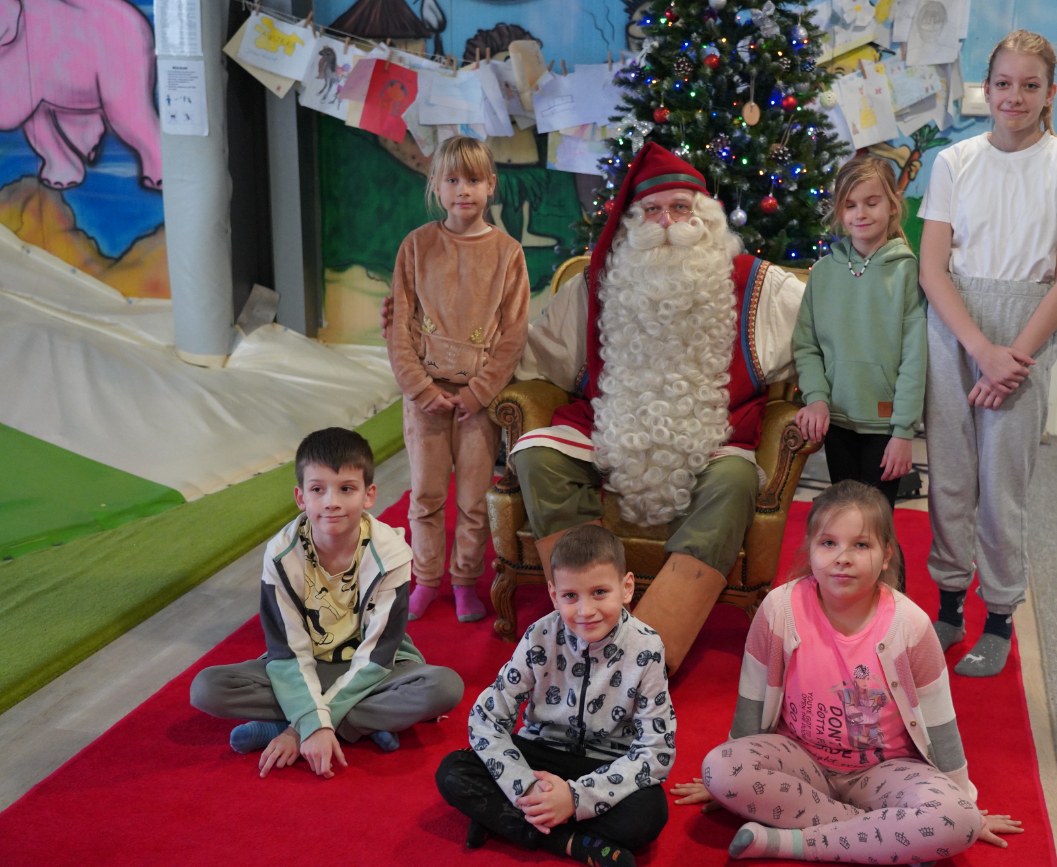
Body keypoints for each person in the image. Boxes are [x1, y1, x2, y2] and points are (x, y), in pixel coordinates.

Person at [511, 142, 806, 673]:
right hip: (611, 432)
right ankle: (586, 611)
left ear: (706, 219)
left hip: (715, 438)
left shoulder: (757, 286)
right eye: (653, 210)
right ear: (632, 223)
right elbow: (539, 353)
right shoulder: (600, 284)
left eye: (680, 209)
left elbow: (816, 337)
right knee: (535, 456)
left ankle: (649, 656)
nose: (667, 223)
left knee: (736, 481)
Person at [671, 481, 1022, 863]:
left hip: (885, 771)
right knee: (719, 769)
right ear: (809, 549)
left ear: (886, 555)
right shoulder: (780, 608)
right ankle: (883, 833)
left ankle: (788, 844)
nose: (843, 557)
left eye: (861, 545)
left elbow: (940, 722)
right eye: (828, 543)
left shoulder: (911, 625)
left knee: (959, 820)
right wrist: (730, 772)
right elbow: (753, 696)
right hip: (800, 760)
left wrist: (963, 798)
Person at [918, 30, 1057, 676]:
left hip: (1023, 330)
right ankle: (948, 605)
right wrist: (978, 348)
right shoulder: (955, 162)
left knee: (1004, 481)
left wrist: (1013, 357)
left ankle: (998, 612)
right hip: (955, 326)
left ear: (1050, 93)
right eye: (1004, 83)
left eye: (1030, 85)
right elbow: (932, 269)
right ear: (987, 88)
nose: (1015, 96)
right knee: (949, 474)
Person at [190, 428, 464, 776]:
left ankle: (290, 728)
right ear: (301, 497)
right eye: (318, 489)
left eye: (346, 488)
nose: (331, 501)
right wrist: (315, 719)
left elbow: (379, 656)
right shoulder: (280, 555)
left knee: (443, 687)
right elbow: (286, 653)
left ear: (369, 495)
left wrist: (305, 725)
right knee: (207, 689)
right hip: (306, 666)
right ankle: (363, 723)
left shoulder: (392, 554)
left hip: (374, 668)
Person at [435, 524, 673, 867]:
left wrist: (576, 798)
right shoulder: (539, 636)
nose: (584, 611)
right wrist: (524, 786)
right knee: (453, 772)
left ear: (626, 588)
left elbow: (656, 750)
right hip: (539, 755)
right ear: (553, 594)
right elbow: (487, 716)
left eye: (600, 592)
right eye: (570, 596)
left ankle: (504, 820)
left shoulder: (647, 647)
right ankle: (570, 842)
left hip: (605, 763)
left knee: (649, 814)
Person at [386, 135, 531, 623]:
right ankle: (426, 578)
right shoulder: (417, 247)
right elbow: (400, 327)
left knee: (473, 498)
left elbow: (512, 334)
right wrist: (422, 390)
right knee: (426, 495)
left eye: (473, 180)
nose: (462, 190)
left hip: (477, 402)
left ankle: (466, 580)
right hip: (425, 398)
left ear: (490, 186)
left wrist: (478, 392)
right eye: (452, 180)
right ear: (436, 186)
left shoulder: (509, 254)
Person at [792, 155, 926, 509]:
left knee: (877, 527)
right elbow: (806, 346)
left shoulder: (907, 273)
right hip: (836, 421)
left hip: (885, 426)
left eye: (872, 202)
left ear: (893, 206)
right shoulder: (822, 273)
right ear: (839, 211)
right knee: (846, 519)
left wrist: (903, 431)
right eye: (850, 205)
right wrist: (816, 398)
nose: (860, 213)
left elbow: (915, 357)